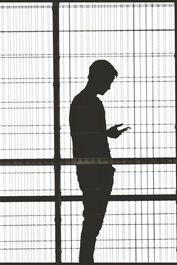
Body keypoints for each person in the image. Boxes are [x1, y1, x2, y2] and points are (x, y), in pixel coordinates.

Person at [69, 60, 130, 263]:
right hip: (95, 171)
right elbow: (86, 137)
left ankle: (86, 259)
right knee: (93, 221)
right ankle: (86, 259)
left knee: (92, 220)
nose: (109, 86)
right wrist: (105, 135)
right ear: (99, 78)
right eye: (108, 81)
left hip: (90, 170)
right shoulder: (90, 103)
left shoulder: (81, 102)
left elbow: (83, 136)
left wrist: (105, 134)